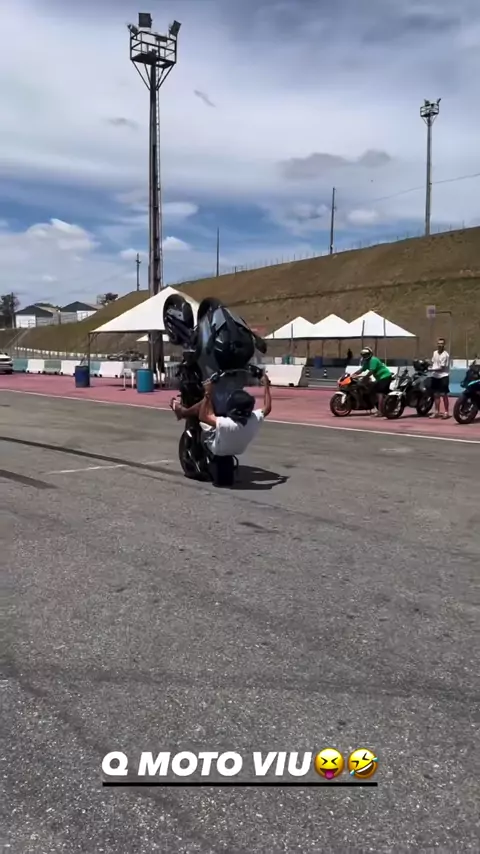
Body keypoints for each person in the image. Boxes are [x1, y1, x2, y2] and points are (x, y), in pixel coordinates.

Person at [170, 371, 272, 457]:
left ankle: (183, 412)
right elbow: (267, 408)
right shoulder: (253, 419)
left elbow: (203, 416)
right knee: (210, 410)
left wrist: (208, 393)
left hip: (217, 449)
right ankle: (184, 412)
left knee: (207, 407)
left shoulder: (227, 424)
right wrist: (266, 386)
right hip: (239, 450)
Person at [352, 347, 393, 416]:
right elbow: (362, 369)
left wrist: (365, 377)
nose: (365, 356)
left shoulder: (373, 360)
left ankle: (380, 411)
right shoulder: (367, 362)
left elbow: (372, 371)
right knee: (372, 391)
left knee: (379, 393)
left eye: (366, 354)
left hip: (385, 376)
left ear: (370, 354)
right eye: (363, 355)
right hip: (379, 378)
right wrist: (353, 375)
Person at [430, 338, 450, 419]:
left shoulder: (445, 355)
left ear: (444, 345)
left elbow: (442, 368)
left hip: (443, 376)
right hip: (435, 376)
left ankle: (446, 412)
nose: (440, 345)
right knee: (436, 395)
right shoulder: (434, 353)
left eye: (441, 343)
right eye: (439, 343)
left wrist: (431, 369)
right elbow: (433, 362)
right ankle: (436, 412)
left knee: (444, 394)